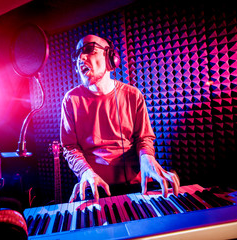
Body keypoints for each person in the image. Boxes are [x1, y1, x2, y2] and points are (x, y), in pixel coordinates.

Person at [60, 34, 180, 202]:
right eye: (78, 53)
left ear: (111, 58)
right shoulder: (71, 100)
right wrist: (85, 172)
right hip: (94, 187)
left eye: (89, 49)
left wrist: (147, 157)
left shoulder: (133, 95)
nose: (81, 57)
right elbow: (70, 147)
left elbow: (143, 138)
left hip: (136, 186)